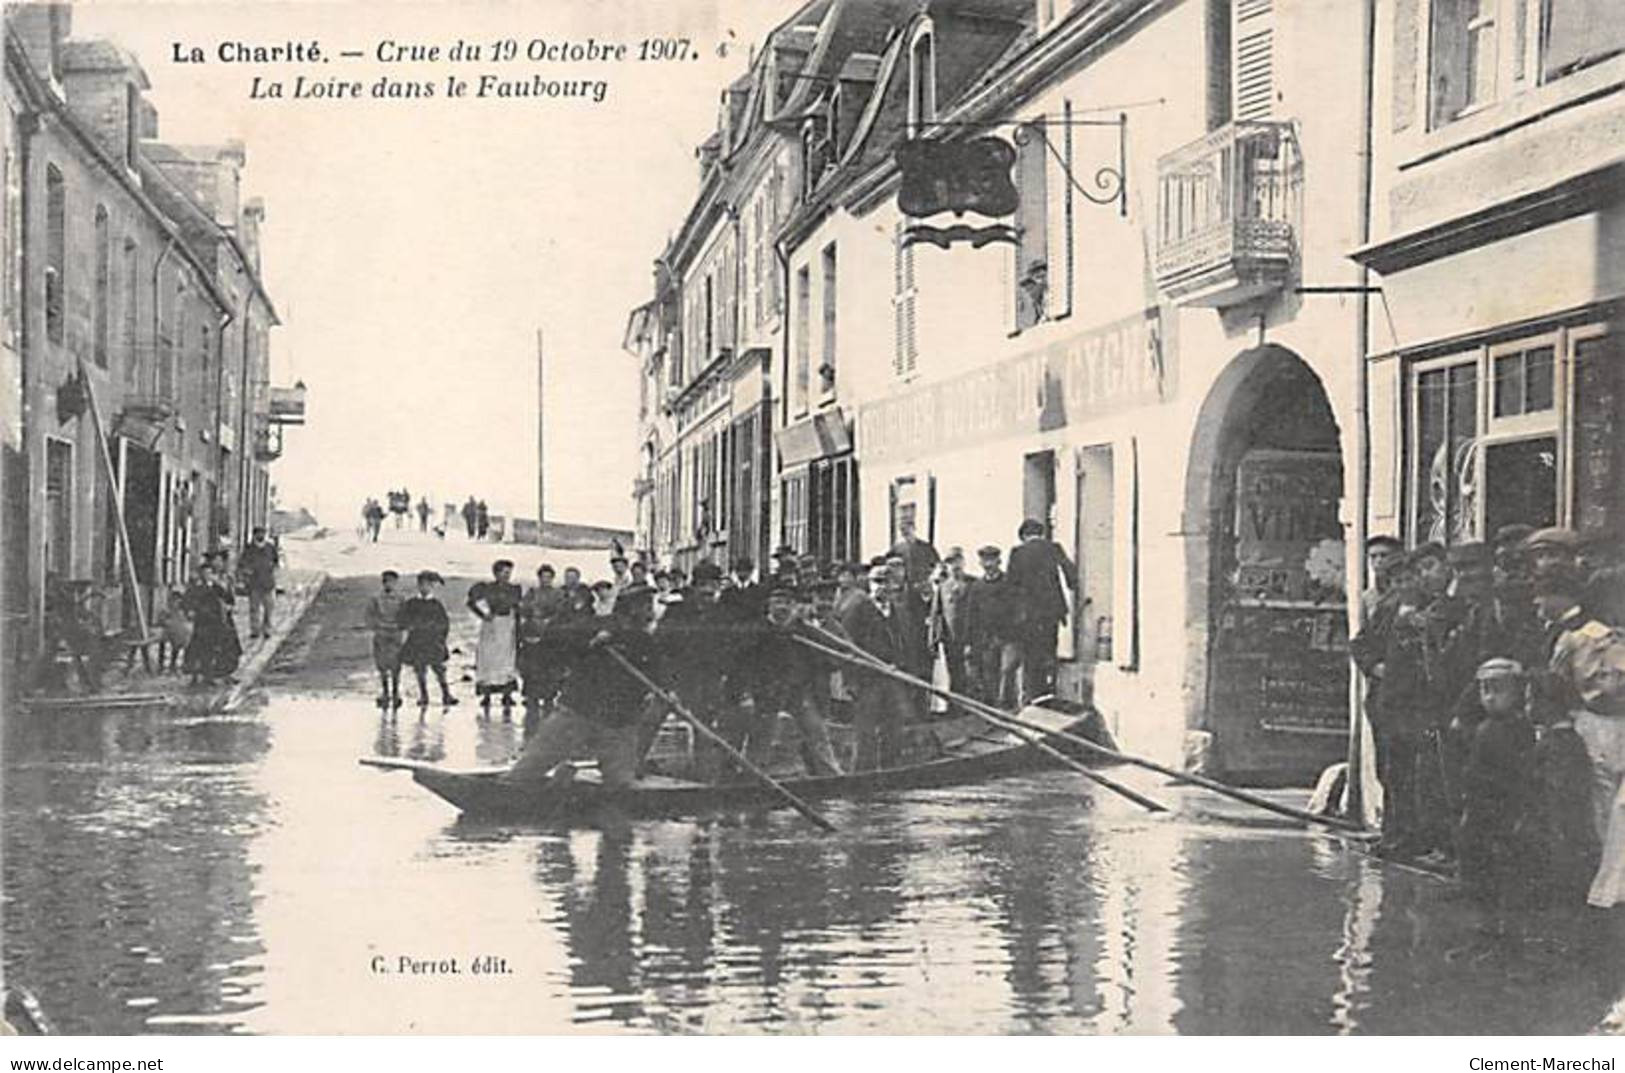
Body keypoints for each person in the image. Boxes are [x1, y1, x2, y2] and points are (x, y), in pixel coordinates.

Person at [1351, 542, 1455, 860]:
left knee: (1421, 774)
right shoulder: (1388, 607)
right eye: (1399, 579)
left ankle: (1417, 837)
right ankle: (1394, 833)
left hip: (1419, 705)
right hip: (1388, 703)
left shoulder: (1436, 609)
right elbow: (1361, 644)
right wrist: (1376, 667)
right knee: (1391, 769)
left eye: (1411, 577)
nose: (1406, 584)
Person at [504, 583, 657, 790]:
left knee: (621, 784)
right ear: (630, 608)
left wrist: (667, 691)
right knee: (526, 771)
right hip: (579, 711)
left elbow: (659, 672)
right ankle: (514, 787)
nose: (650, 610)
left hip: (619, 721)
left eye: (650, 605)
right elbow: (554, 638)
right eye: (645, 605)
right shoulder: (597, 625)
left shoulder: (645, 640)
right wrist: (590, 643)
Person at [1538, 564, 1625, 908]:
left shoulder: (1580, 637)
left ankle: (1609, 881)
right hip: (1600, 724)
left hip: (1600, 723)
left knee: (1605, 804)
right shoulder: (1593, 637)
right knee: (1605, 803)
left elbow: (1556, 678)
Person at [1455, 658, 1537, 931]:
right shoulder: (1486, 729)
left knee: (1498, 871)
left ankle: (1495, 931)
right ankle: (1484, 928)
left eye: (1498, 690)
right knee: (1478, 871)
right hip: (1481, 809)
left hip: (1500, 811)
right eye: (1484, 690)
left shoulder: (1516, 730)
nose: (1489, 698)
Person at [1006, 518, 1078, 704]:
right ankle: (1049, 692)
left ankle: (1034, 696)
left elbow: (1011, 587)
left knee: (1031, 656)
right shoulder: (1054, 548)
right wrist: (1071, 586)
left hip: (1028, 615)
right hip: (1051, 612)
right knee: (1049, 650)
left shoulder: (1018, 552)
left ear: (1023, 536)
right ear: (1041, 533)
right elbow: (1070, 572)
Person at [965, 545, 1022, 708]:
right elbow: (972, 615)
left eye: (991, 560)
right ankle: (995, 711)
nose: (988, 565)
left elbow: (1019, 608)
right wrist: (970, 642)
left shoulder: (1009, 583)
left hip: (1008, 637)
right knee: (990, 674)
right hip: (987, 639)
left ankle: (1006, 707)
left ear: (999, 561)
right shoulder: (977, 587)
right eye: (985, 561)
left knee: (1007, 671)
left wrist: (1014, 629)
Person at [467, 559, 522, 713]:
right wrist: (483, 615)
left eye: (509, 573)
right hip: (491, 625)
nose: (507, 576)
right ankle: (487, 696)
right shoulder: (486, 588)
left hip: (507, 624)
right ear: (496, 573)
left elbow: (517, 609)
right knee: (488, 659)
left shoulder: (514, 589)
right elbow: (471, 602)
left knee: (506, 659)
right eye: (504, 572)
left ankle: (507, 694)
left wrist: (518, 628)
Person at [400, 570, 456, 707]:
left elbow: (444, 623)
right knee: (420, 669)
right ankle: (424, 695)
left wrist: (441, 638)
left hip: (433, 641)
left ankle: (446, 694)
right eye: (422, 585)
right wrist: (410, 626)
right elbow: (403, 619)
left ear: (432, 586)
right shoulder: (412, 603)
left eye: (428, 585)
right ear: (418, 586)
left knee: (439, 669)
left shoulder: (436, 604)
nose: (425, 588)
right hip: (417, 641)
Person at [183, 559, 242, 686]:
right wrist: (190, 611)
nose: (207, 576)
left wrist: (228, 607)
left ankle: (225, 674)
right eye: (204, 573)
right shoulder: (196, 588)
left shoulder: (217, 587)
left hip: (219, 622)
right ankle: (199, 676)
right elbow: (187, 602)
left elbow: (229, 600)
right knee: (200, 649)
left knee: (228, 647)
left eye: (209, 573)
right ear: (200, 574)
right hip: (203, 623)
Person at [520, 564, 567, 715]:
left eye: (548, 577)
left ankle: (548, 696)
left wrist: (549, 620)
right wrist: (532, 616)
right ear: (539, 578)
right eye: (543, 577)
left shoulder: (558, 593)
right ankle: (531, 696)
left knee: (549, 667)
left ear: (552, 578)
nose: (545, 580)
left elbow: (561, 611)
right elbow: (524, 608)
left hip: (551, 634)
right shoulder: (533, 592)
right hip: (533, 632)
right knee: (532, 667)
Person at [929, 547, 973, 698]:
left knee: (971, 674)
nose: (955, 566)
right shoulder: (943, 587)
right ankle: (956, 708)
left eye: (957, 561)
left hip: (971, 638)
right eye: (950, 562)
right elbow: (936, 614)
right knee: (954, 673)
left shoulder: (973, 584)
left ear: (963, 562)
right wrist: (933, 639)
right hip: (951, 639)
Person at [366, 570, 406, 709]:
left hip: (395, 634)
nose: (390, 584)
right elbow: (370, 615)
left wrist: (401, 626)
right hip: (381, 633)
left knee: (396, 665)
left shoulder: (401, 598)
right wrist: (376, 627)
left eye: (393, 582)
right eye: (387, 581)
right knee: (382, 665)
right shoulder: (376, 598)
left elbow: (405, 614)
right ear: (383, 583)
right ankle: (385, 692)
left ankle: (395, 693)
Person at [238, 527, 279, 640]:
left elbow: (276, 561)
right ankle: (255, 630)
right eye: (258, 534)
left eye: (263, 533)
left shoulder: (270, 547)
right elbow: (242, 564)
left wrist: (273, 569)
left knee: (269, 608)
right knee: (254, 608)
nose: (261, 536)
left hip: (268, 583)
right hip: (254, 583)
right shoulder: (249, 549)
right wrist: (247, 572)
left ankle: (267, 629)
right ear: (254, 535)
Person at [890, 517, 941, 596]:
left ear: (913, 528)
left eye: (907, 528)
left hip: (923, 587)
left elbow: (937, 565)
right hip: (904, 588)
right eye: (902, 529)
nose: (904, 532)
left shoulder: (925, 547)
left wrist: (928, 580)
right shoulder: (897, 549)